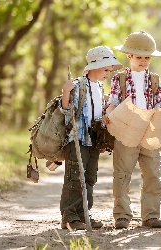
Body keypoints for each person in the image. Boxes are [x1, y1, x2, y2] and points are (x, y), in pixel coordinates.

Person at [103, 31, 161, 229]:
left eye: (147, 58)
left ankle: (151, 214)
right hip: (126, 131)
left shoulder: (155, 80)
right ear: (129, 56)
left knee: (153, 174)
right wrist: (108, 115)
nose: (144, 61)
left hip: (149, 131)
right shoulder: (118, 79)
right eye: (139, 57)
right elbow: (113, 102)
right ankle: (122, 214)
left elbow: (159, 105)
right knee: (122, 173)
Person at [59, 46, 122, 230]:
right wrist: (65, 93)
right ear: (93, 67)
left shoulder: (100, 88)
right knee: (74, 176)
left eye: (110, 70)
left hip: (93, 140)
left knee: (89, 177)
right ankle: (69, 216)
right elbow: (66, 110)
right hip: (78, 139)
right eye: (105, 69)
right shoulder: (78, 85)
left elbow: (98, 114)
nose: (108, 74)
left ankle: (84, 213)